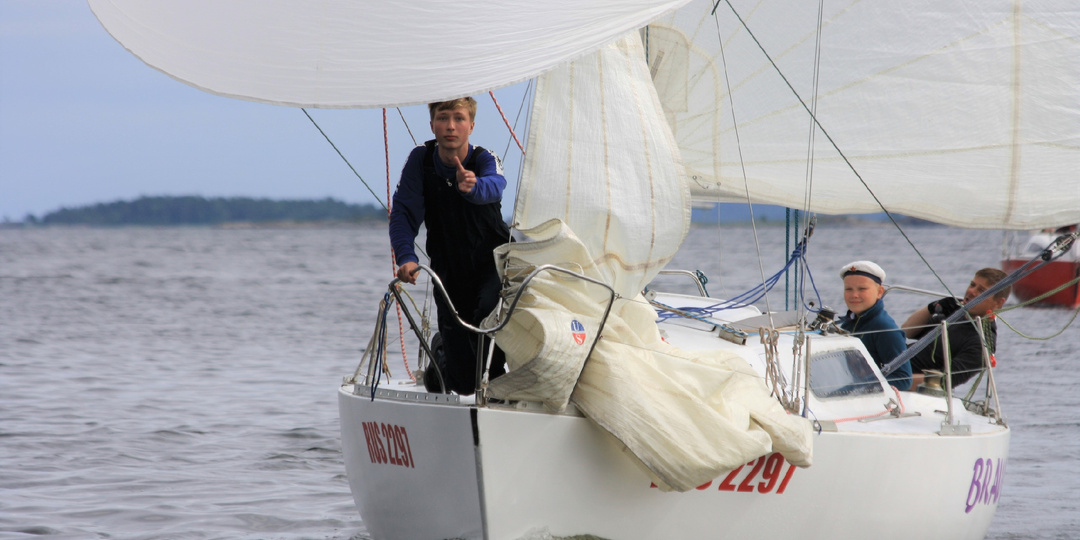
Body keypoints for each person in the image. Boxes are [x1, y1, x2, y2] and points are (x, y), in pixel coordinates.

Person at [388, 97, 510, 395]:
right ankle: (439, 354)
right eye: (443, 118)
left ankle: (499, 398)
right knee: (464, 383)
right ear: (432, 124)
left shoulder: (484, 159)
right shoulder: (421, 160)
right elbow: (403, 214)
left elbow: (496, 186)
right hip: (448, 269)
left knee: (488, 325)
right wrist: (406, 256)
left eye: (458, 118)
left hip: (491, 265)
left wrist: (473, 186)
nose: (451, 126)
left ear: (471, 125)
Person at [901, 268, 1010, 389]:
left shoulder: (982, 344)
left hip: (898, 380)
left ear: (999, 303)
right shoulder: (955, 313)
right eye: (972, 285)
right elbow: (907, 331)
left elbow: (944, 381)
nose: (971, 291)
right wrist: (933, 307)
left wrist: (891, 382)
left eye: (981, 290)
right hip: (890, 361)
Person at [837, 261, 911, 391]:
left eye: (862, 289)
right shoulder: (848, 324)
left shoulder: (885, 328)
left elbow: (903, 379)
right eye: (848, 289)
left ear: (879, 292)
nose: (854, 295)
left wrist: (856, 388)